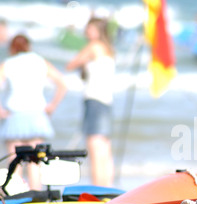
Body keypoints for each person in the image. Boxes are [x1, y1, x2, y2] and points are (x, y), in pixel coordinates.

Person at [0, 34, 66, 190]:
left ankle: (16, 197)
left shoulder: (9, 63)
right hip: (37, 115)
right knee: (35, 162)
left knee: (15, 161)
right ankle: (37, 197)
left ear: (12, 48)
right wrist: (52, 105)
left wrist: (1, 111)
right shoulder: (40, 61)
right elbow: (62, 83)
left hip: (15, 116)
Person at [66, 17, 115, 186]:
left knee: (94, 146)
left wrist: (83, 61)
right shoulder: (108, 48)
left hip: (94, 99)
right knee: (104, 148)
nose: (87, 31)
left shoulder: (93, 46)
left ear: (98, 31)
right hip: (106, 101)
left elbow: (71, 64)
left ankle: (97, 189)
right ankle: (106, 187)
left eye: (90, 28)